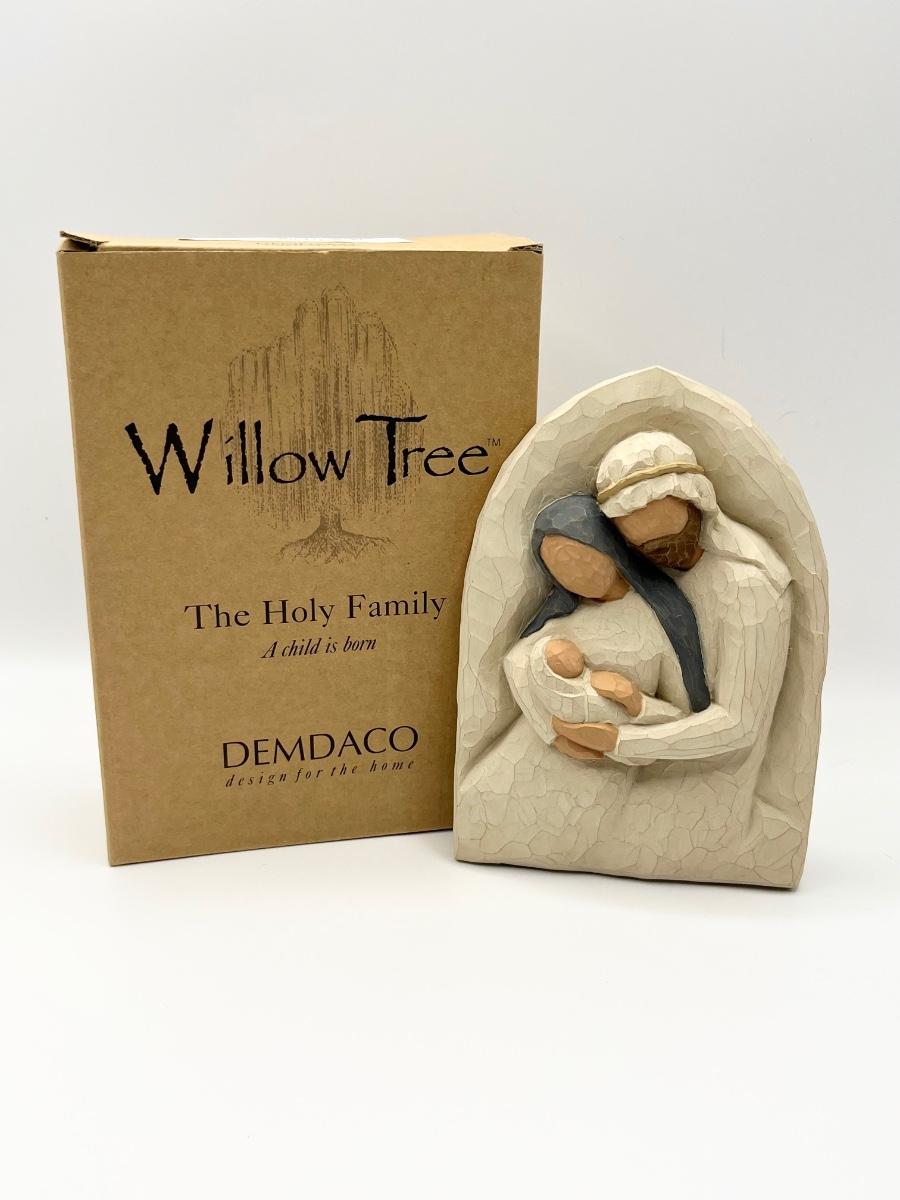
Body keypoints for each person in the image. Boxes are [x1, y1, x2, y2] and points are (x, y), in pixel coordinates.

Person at [548, 432, 794, 881]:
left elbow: (739, 724)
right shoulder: (659, 569)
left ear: (696, 501)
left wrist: (619, 742)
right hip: (648, 741)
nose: (657, 553)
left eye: (667, 537)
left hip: (709, 780)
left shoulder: (750, 585)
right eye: (641, 545)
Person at [456, 495, 709, 871]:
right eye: (559, 568)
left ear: (609, 548)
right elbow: (516, 664)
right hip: (529, 756)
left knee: (565, 835)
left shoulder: (661, 619)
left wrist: (635, 701)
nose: (574, 576)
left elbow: (684, 720)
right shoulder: (561, 619)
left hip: (605, 772)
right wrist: (552, 732)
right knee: (487, 804)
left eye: (580, 559)